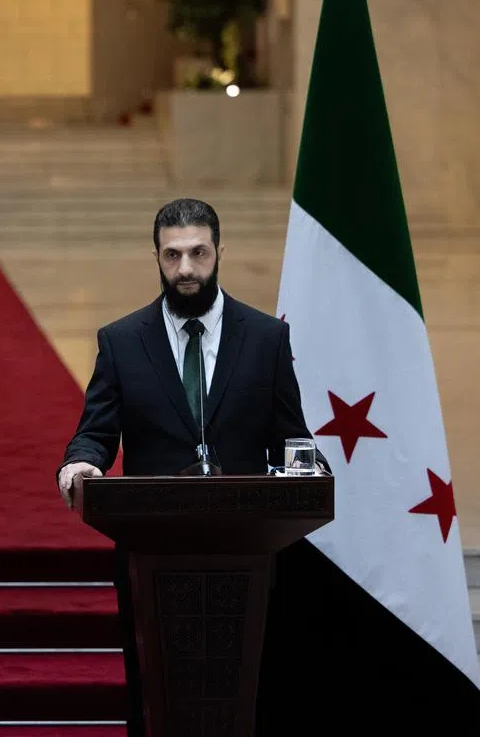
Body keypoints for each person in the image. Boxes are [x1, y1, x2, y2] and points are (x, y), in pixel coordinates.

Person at [55, 197, 327, 736]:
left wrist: (310, 469)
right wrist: (79, 466)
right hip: (151, 556)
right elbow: (95, 432)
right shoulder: (122, 341)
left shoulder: (267, 338)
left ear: (219, 251)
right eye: (172, 255)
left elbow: (291, 436)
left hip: (247, 553)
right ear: (155, 257)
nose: (185, 269)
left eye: (198, 253)